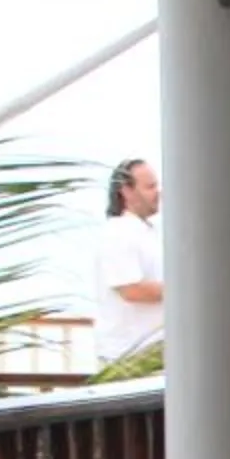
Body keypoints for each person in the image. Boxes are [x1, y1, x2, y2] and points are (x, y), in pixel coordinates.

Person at [92, 156, 163, 375]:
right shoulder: (119, 233)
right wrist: (188, 289)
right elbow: (131, 289)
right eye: (150, 186)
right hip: (129, 358)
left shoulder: (149, 233)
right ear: (127, 191)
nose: (158, 192)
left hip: (153, 356)